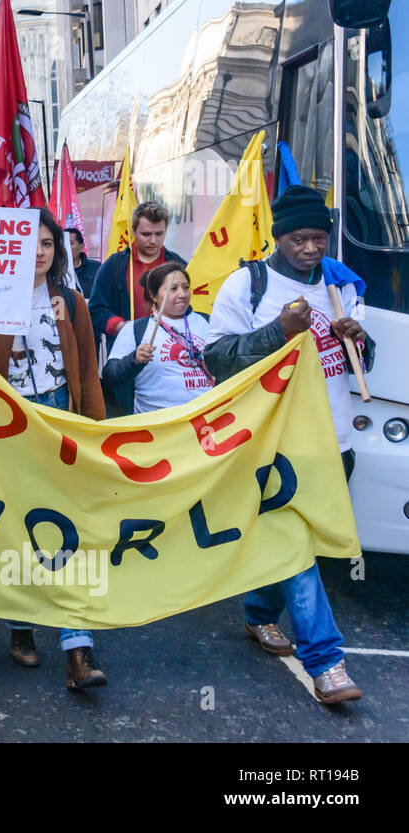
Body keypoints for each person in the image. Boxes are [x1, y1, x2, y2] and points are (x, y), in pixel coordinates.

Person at [203, 185, 372, 704]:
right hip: (273, 444)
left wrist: (359, 342)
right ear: (280, 238)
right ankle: (326, 662)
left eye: (320, 239)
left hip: (334, 439)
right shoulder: (246, 285)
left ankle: (257, 614)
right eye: (300, 239)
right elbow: (217, 359)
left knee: (295, 541)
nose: (311, 249)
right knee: (297, 544)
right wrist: (278, 330)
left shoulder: (341, 288)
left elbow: (365, 370)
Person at [0, 208, 108, 691]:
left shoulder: (71, 301)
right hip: (9, 427)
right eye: (29, 244)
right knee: (20, 526)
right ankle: (20, 624)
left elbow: (87, 370)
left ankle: (78, 649)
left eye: (47, 244)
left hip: (59, 420)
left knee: (67, 528)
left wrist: (95, 431)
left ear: (57, 251)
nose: (39, 253)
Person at [101, 262, 213, 415]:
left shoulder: (208, 322)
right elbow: (110, 376)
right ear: (153, 295)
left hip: (205, 422)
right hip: (157, 429)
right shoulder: (135, 330)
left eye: (185, 287)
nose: (182, 294)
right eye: (173, 289)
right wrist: (134, 360)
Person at [89, 201, 186, 349]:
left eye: (159, 234)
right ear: (133, 230)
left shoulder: (178, 264)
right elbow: (95, 310)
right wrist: (119, 326)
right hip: (126, 349)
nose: (153, 240)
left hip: (170, 349)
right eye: (146, 234)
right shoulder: (113, 266)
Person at [66, 227, 101, 298]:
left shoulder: (95, 267)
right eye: (63, 244)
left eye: (70, 243)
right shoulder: (55, 270)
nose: (66, 247)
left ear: (82, 246)